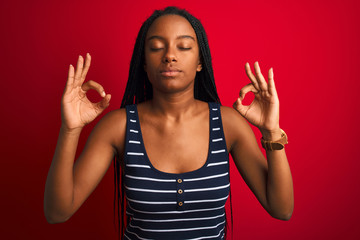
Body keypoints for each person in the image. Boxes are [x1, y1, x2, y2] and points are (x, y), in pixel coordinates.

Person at [44, 6, 293, 240]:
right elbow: (57, 213)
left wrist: (272, 131)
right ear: (144, 63)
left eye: (184, 46)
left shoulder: (229, 124)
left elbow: (281, 209)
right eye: (156, 47)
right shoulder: (117, 127)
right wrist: (70, 129)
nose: (170, 56)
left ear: (200, 62)